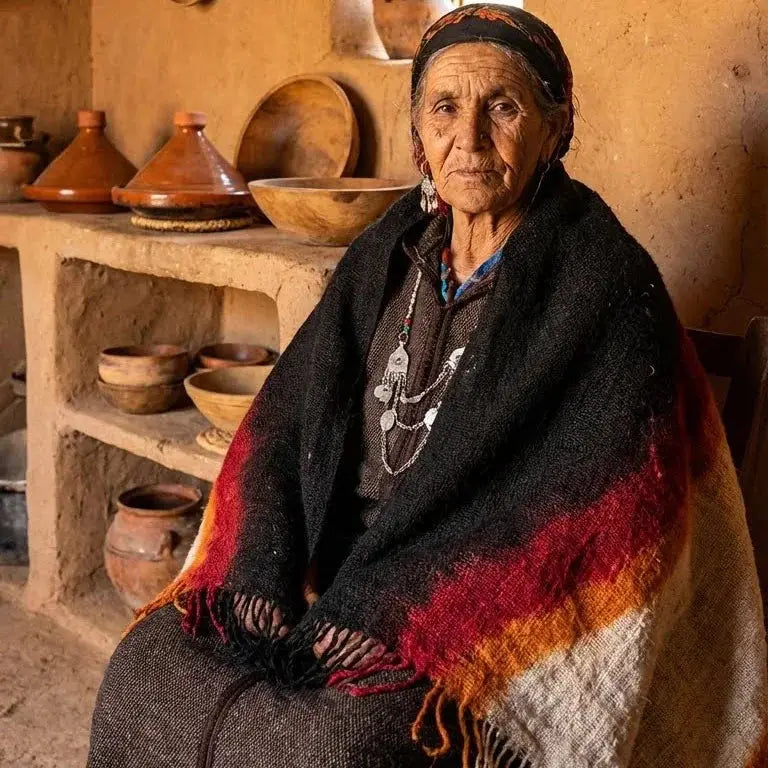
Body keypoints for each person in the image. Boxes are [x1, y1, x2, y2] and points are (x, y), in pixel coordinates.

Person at [88, 5, 768, 767]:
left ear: (556, 126)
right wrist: (266, 574)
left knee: (323, 744)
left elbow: (594, 520)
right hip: (335, 559)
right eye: (445, 107)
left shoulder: (604, 283)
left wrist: (391, 601)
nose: (469, 138)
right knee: (145, 672)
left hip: (463, 597)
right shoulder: (390, 251)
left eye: (503, 106)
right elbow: (283, 422)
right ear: (418, 131)